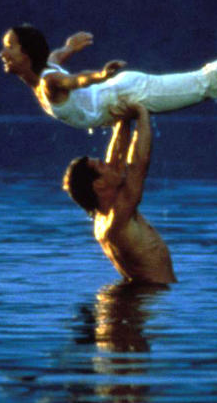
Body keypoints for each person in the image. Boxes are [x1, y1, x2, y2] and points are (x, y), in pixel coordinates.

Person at [0, 25, 217, 130]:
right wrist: (71, 46)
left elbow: (76, 80)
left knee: (204, 82)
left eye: (9, 47)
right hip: (120, 94)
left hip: (127, 94)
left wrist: (99, 75)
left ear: (25, 55)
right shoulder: (48, 68)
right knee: (203, 85)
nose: (4, 54)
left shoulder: (49, 83)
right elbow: (57, 56)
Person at [62, 104, 175, 285]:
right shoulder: (118, 215)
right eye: (102, 165)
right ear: (99, 184)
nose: (109, 164)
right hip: (150, 299)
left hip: (133, 296)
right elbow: (139, 163)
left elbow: (117, 155)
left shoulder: (105, 213)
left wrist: (122, 118)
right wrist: (142, 113)